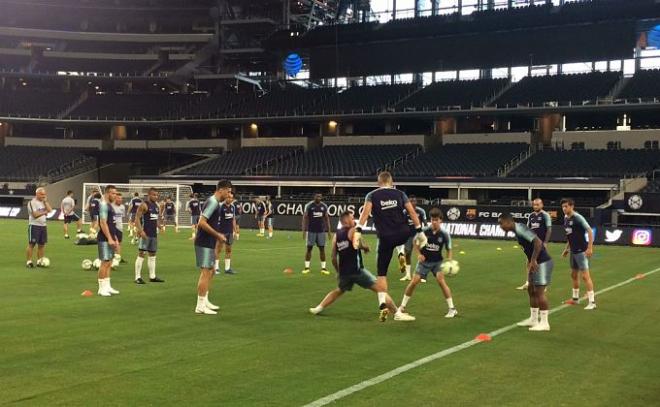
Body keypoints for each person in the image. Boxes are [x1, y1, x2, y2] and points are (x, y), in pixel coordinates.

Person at [309, 211, 408, 322]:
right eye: (352, 218)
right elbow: (356, 243)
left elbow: (333, 257)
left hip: (345, 272)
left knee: (338, 291)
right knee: (380, 288)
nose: (354, 220)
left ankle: (318, 308)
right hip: (357, 271)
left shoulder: (337, 235)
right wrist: (364, 247)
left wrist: (338, 272)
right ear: (346, 220)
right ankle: (396, 312)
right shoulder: (352, 231)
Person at [354, 171, 425, 322]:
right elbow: (412, 212)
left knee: (381, 274)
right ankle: (401, 253)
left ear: (378, 183)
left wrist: (358, 230)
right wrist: (419, 231)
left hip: (385, 237)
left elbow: (365, 214)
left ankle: (382, 303)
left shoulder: (372, 195)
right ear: (392, 182)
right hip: (403, 233)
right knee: (403, 240)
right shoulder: (400, 193)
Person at [398, 208, 457, 318]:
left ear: (441, 221)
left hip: (437, 262)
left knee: (441, 281)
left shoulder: (444, 234)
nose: (434, 222)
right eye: (432, 219)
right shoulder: (424, 231)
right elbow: (415, 242)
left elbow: (449, 249)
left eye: (436, 220)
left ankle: (452, 309)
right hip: (424, 262)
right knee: (414, 282)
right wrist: (419, 254)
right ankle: (402, 307)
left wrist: (449, 261)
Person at [499, 213, 553, 331]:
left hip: (542, 262)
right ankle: (533, 319)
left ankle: (544, 323)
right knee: (531, 290)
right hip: (534, 263)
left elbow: (538, 242)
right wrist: (530, 263)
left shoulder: (521, 228)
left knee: (539, 292)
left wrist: (533, 260)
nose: (500, 226)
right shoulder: (517, 230)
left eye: (501, 223)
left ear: (508, 222)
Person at [194, 180, 233, 315]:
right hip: (204, 241)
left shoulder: (216, 203)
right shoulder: (212, 202)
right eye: (228, 191)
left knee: (210, 271)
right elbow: (202, 223)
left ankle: (205, 301)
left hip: (209, 241)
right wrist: (218, 235)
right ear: (221, 190)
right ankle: (200, 305)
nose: (229, 194)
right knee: (206, 272)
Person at [561, 198, 596, 310]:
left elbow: (590, 231)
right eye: (563, 207)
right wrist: (566, 249)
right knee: (574, 275)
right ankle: (575, 299)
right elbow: (570, 236)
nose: (564, 208)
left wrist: (590, 247)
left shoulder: (578, 218)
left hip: (582, 251)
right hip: (573, 251)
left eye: (566, 206)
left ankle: (592, 302)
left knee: (585, 276)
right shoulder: (565, 218)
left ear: (572, 206)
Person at [517, 198, 552, 290]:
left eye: (537, 204)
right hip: (531, 243)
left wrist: (545, 242)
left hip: (541, 243)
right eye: (534, 205)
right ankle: (528, 282)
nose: (535, 206)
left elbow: (549, 229)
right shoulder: (531, 216)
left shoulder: (545, 215)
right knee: (529, 262)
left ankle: (544, 284)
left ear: (542, 205)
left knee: (541, 263)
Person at [134, 188, 165, 284]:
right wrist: (140, 231)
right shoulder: (144, 205)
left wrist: (159, 226)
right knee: (141, 254)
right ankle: (137, 277)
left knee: (152, 255)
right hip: (145, 234)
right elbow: (137, 219)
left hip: (153, 234)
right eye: (154, 195)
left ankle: (152, 276)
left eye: (157, 195)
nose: (156, 197)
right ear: (149, 195)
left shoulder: (156, 206)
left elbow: (155, 219)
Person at [96, 185, 120, 297]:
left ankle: (107, 286)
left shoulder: (110, 205)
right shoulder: (103, 205)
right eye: (113, 193)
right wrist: (110, 238)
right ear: (107, 193)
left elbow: (112, 224)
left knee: (109, 262)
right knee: (104, 263)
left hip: (111, 237)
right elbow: (103, 223)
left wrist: (114, 238)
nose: (115, 195)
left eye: (116, 193)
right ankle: (101, 289)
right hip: (104, 238)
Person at [397, 194, 427, 282]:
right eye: (410, 201)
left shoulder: (421, 211)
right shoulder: (404, 212)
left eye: (413, 201)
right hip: (408, 236)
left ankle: (423, 276)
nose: (411, 203)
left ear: (416, 202)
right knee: (407, 253)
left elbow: (425, 223)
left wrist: (424, 234)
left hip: (418, 235)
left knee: (422, 254)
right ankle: (408, 275)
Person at [301, 192, 332, 275]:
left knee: (322, 249)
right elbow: (305, 218)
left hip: (321, 231)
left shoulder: (324, 206)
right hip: (311, 231)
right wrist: (304, 230)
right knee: (309, 249)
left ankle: (323, 268)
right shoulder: (309, 206)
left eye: (320, 196)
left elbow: (327, 218)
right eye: (317, 196)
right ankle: (307, 268)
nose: (319, 197)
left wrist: (329, 231)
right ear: (314, 197)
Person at [26, 187, 52, 268]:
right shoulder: (32, 202)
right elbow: (35, 215)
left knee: (41, 245)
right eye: (41, 194)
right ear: (37, 194)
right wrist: (44, 212)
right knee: (31, 244)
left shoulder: (43, 202)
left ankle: (40, 261)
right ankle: (29, 261)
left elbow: (50, 210)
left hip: (43, 226)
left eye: (44, 194)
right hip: (34, 226)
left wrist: (45, 202)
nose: (43, 196)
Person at [214, 192, 237, 275]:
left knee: (229, 250)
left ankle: (227, 268)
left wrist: (236, 230)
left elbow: (233, 219)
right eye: (228, 197)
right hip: (221, 231)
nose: (230, 199)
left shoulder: (233, 207)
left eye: (231, 198)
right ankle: (216, 268)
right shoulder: (220, 206)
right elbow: (215, 219)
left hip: (230, 231)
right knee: (218, 249)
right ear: (225, 198)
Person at [111, 192, 126, 262]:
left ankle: (117, 257)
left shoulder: (122, 207)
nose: (120, 199)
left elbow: (122, 216)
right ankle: (115, 257)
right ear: (115, 199)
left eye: (121, 198)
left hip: (120, 227)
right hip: (113, 227)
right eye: (118, 198)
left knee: (119, 243)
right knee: (114, 243)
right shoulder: (111, 206)